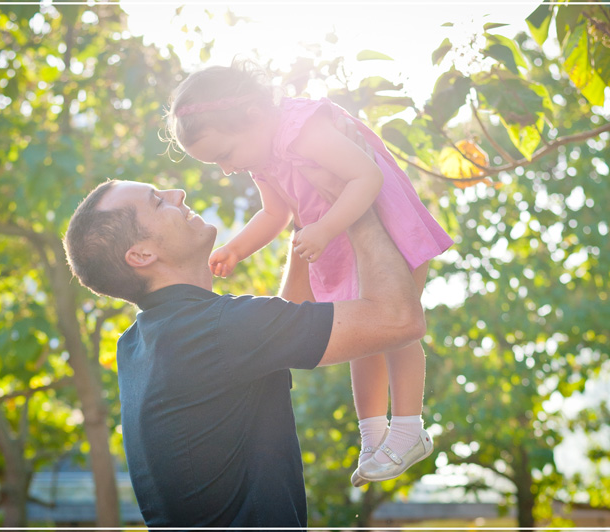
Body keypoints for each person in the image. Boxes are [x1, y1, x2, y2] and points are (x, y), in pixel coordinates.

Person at [62, 179, 426, 527]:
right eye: (158, 201)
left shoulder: (143, 342)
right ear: (142, 254)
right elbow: (399, 319)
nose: (178, 193)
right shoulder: (219, 330)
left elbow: (277, 329)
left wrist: (306, 219)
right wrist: (355, 205)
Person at [166, 61, 454, 487]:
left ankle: (410, 428)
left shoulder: (303, 128)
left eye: (225, 154)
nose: (227, 168)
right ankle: (373, 436)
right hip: (339, 244)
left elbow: (366, 177)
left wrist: (323, 228)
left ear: (254, 117)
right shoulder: (262, 157)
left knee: (398, 330)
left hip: (384, 230)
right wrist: (235, 248)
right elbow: (274, 212)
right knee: (367, 339)